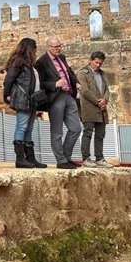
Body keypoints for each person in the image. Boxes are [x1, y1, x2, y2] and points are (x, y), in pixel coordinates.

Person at [35, 36, 82, 170]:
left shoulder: (62, 57)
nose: (58, 48)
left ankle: (67, 157)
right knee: (57, 132)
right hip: (55, 97)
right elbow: (40, 83)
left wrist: (76, 82)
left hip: (69, 95)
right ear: (48, 47)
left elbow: (69, 72)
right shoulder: (42, 62)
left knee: (76, 128)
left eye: (59, 46)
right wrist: (55, 84)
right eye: (56, 47)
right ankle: (61, 160)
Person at [2, 38, 47, 169]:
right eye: (35, 48)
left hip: (32, 100)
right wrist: (7, 95)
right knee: (22, 127)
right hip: (23, 99)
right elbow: (9, 79)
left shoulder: (29, 64)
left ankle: (30, 158)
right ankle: (20, 159)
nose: (36, 50)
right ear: (29, 48)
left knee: (29, 128)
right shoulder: (19, 61)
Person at [77, 51, 114, 168]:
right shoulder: (83, 73)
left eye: (100, 63)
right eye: (96, 62)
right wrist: (98, 102)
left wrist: (105, 100)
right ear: (91, 60)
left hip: (101, 109)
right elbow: (84, 91)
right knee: (87, 133)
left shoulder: (102, 74)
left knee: (100, 134)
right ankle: (86, 158)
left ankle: (99, 158)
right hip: (89, 108)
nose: (98, 65)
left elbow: (107, 89)